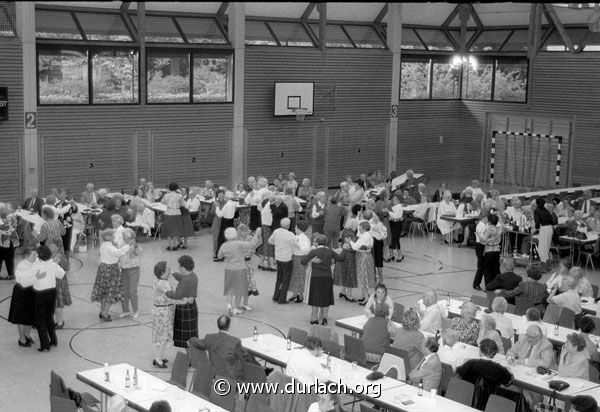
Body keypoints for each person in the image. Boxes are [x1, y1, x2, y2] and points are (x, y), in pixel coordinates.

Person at [189, 315, 265, 380]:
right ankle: (262, 371)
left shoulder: (209, 338)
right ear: (229, 326)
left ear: (218, 325)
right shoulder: (235, 341)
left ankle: (262, 369)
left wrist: (192, 339)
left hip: (215, 372)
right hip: (232, 375)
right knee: (248, 358)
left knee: (246, 354)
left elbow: (197, 343)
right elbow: (243, 358)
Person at [455, 339, 513, 410]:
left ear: (480, 350)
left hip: (466, 398)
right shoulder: (500, 368)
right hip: (488, 402)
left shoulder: (471, 362)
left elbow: (458, 373)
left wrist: (464, 362)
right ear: (494, 353)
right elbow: (508, 382)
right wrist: (509, 371)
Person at [302, 234, 346, 325]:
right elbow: (341, 258)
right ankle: (325, 318)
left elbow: (303, 261)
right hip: (327, 277)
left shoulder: (314, 251)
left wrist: (311, 260)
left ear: (317, 243)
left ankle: (314, 318)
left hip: (316, 277)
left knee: (315, 298)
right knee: (326, 297)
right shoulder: (330, 251)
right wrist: (344, 249)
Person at [219, 227, 262, 315]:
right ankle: (235, 308)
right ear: (235, 234)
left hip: (229, 269)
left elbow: (219, 256)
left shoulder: (224, 245)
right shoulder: (239, 244)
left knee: (229, 288)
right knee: (239, 289)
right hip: (240, 269)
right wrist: (257, 234)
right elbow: (252, 244)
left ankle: (229, 306)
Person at [91, 229, 130, 321]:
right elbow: (118, 253)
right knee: (110, 292)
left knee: (104, 291)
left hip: (103, 269)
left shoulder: (104, 245)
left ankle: (102, 311)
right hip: (111, 270)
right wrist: (128, 246)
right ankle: (105, 313)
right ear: (109, 237)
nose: (114, 238)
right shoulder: (109, 246)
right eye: (113, 236)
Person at [32, 245, 65, 351]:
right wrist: (55, 263)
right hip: (51, 292)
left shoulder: (36, 265)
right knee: (49, 317)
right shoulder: (53, 264)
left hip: (40, 294)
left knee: (40, 319)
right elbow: (61, 274)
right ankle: (53, 340)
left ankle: (45, 344)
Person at [151, 261, 182, 368]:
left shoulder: (156, 280)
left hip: (158, 311)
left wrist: (172, 272)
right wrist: (183, 300)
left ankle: (159, 356)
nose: (170, 270)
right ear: (163, 272)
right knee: (163, 336)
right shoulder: (164, 284)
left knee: (160, 334)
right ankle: (158, 358)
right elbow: (172, 296)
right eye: (168, 269)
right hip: (164, 312)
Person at [165, 255, 198, 348]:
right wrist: (173, 273)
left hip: (184, 308)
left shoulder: (185, 281)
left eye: (179, 266)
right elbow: (182, 278)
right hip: (191, 306)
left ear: (183, 268)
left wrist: (167, 292)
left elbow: (177, 296)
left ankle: (190, 357)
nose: (178, 268)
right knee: (190, 336)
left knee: (185, 337)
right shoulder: (192, 275)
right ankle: (191, 356)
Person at [8, 249, 39, 347]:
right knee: (21, 316)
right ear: (27, 256)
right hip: (22, 292)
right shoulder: (22, 266)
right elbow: (24, 282)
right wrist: (37, 277)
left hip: (32, 291)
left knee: (31, 313)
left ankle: (27, 334)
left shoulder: (35, 262)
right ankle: (21, 339)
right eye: (34, 255)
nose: (36, 256)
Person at [333, 204, 361, 302]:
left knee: (345, 273)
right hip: (350, 255)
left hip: (344, 254)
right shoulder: (350, 233)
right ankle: (349, 294)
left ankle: (343, 291)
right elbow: (354, 245)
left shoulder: (345, 230)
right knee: (351, 274)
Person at [269, 218, 297, 304]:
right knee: (286, 280)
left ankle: (276, 296)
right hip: (287, 259)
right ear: (288, 226)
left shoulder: (276, 231)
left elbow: (270, 241)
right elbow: (296, 245)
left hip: (278, 258)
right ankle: (282, 299)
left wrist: (278, 243)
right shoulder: (291, 234)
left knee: (279, 278)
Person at [349, 221, 375, 304]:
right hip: (368, 256)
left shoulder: (363, 237)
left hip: (362, 257)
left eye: (360, 227)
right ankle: (365, 295)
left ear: (364, 228)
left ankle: (366, 298)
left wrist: (350, 241)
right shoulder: (369, 235)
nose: (359, 228)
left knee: (362, 278)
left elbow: (355, 247)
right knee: (366, 276)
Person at [119, 228, 142, 319]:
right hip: (123, 270)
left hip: (133, 270)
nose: (123, 237)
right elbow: (119, 255)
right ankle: (126, 310)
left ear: (129, 237)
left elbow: (139, 251)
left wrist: (134, 246)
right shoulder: (122, 245)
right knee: (124, 291)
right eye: (123, 236)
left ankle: (136, 310)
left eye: (124, 236)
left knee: (132, 291)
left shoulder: (134, 246)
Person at [47, 239, 70, 329]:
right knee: (55, 304)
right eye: (49, 246)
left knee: (58, 304)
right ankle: (57, 321)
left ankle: (60, 322)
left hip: (59, 283)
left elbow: (66, 270)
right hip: (51, 283)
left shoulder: (61, 257)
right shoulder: (48, 256)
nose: (50, 248)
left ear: (57, 247)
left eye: (52, 246)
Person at [288, 221, 311, 303]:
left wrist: (298, 246)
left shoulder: (305, 238)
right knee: (294, 275)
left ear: (299, 228)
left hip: (301, 258)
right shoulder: (295, 236)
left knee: (300, 276)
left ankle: (300, 295)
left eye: (295, 227)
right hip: (294, 257)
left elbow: (307, 250)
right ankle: (294, 294)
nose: (294, 229)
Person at [161, 182, 187, 251]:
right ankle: (174, 245)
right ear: (176, 188)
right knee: (176, 229)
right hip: (176, 212)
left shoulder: (166, 195)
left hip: (168, 212)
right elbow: (183, 205)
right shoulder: (179, 196)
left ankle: (169, 245)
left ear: (169, 188)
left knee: (169, 229)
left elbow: (162, 202)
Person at [480, 213, 502, 288]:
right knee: (496, 269)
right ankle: (498, 285)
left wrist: (480, 235)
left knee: (487, 270)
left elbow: (483, 240)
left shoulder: (488, 229)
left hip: (489, 251)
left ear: (489, 221)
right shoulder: (499, 229)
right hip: (497, 250)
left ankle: (489, 287)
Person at [0, 204, 20, 280]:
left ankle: (11, 274)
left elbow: (14, 227)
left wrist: (10, 226)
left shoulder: (12, 217)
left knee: (9, 258)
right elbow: (4, 229)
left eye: (3, 209)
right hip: (2, 242)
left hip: (10, 242)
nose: (3, 211)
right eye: (1, 210)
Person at [534, 197, 554, 271]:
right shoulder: (546, 210)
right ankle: (548, 265)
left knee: (542, 248)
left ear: (536, 203)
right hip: (550, 228)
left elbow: (537, 222)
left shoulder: (537, 210)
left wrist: (536, 229)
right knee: (547, 247)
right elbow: (552, 221)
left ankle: (543, 266)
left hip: (544, 228)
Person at [258, 192, 276, 271]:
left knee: (266, 244)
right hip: (268, 227)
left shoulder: (264, 209)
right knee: (268, 245)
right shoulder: (268, 208)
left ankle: (262, 263)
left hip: (266, 227)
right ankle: (269, 264)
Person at [386, 195, 405, 262]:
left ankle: (400, 254)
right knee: (391, 239)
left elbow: (396, 216)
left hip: (397, 224)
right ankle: (391, 255)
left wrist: (388, 212)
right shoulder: (394, 206)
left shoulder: (399, 207)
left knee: (396, 239)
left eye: (396, 199)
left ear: (399, 200)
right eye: (393, 199)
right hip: (392, 224)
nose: (394, 200)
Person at [211, 189, 226, 261]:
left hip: (224, 222)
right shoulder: (215, 203)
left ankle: (222, 253)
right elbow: (212, 213)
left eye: (222, 194)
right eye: (219, 195)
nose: (221, 196)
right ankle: (215, 252)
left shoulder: (227, 203)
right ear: (217, 196)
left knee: (223, 238)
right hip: (217, 222)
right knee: (215, 238)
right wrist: (216, 207)